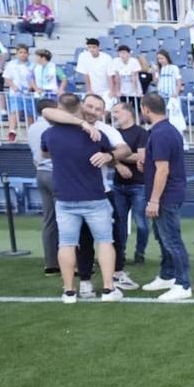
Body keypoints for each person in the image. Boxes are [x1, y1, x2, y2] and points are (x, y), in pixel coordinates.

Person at [39, 93, 122, 303]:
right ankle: (108, 289)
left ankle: (68, 291)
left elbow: (45, 153)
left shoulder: (49, 134)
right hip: (94, 197)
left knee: (66, 244)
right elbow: (110, 153)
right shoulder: (96, 134)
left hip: (65, 199)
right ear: (80, 107)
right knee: (105, 242)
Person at [137, 93, 192, 300]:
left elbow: (163, 170)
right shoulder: (166, 130)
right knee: (163, 237)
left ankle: (183, 284)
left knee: (171, 240)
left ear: (145, 109)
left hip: (166, 196)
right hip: (168, 193)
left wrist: (154, 200)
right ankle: (168, 275)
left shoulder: (161, 133)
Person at [110, 100, 150, 267]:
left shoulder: (142, 133)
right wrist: (117, 164)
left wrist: (117, 156)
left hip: (138, 184)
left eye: (117, 111)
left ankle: (140, 253)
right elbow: (106, 155)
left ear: (128, 112)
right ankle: (120, 254)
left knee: (141, 223)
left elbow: (141, 157)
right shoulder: (114, 133)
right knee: (118, 221)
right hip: (118, 185)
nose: (114, 115)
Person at [28, 99, 57, 274]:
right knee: (66, 217)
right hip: (55, 172)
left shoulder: (32, 128)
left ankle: (51, 262)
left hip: (41, 172)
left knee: (49, 219)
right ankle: (73, 262)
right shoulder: (52, 128)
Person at [3, 42, 36, 142]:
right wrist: (14, 86)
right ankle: (12, 132)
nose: (23, 54)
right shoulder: (11, 64)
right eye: (20, 52)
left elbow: (35, 80)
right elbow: (7, 79)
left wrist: (31, 88)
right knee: (15, 112)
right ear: (17, 54)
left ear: (28, 54)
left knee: (30, 114)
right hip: (15, 93)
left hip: (29, 94)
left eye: (25, 52)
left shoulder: (33, 65)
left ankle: (32, 134)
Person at [110, 44, 142, 111]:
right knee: (123, 108)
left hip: (134, 89)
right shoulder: (116, 61)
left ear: (129, 54)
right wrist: (118, 91)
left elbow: (134, 78)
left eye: (124, 53)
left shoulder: (134, 61)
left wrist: (136, 92)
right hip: (123, 90)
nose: (122, 55)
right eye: (120, 53)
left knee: (136, 108)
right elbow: (117, 77)